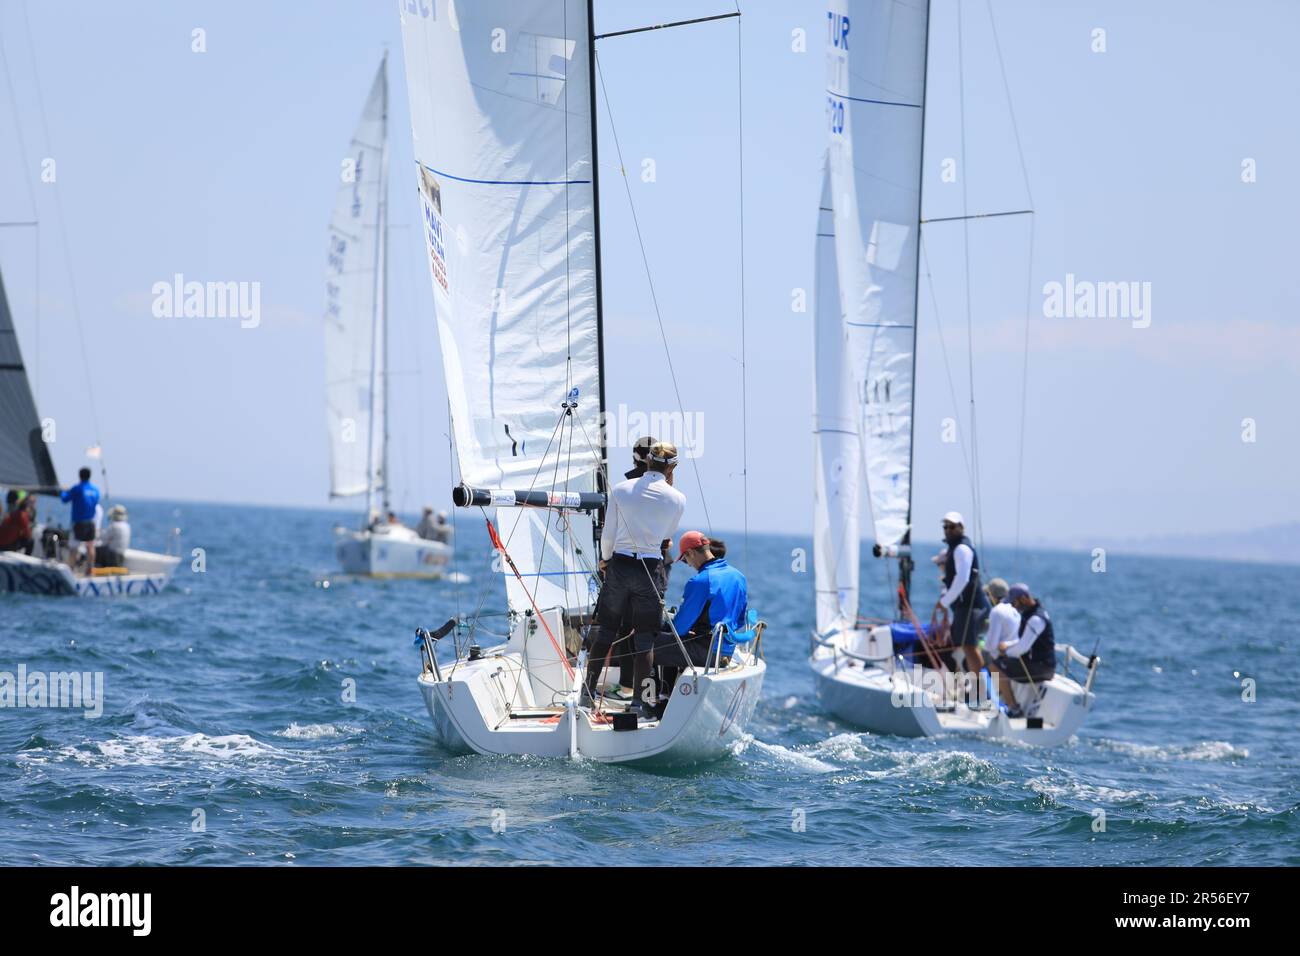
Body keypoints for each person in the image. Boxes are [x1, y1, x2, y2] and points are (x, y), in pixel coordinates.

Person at [587, 441, 686, 718]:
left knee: (605, 632)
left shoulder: (621, 490)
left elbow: (609, 534)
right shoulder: (678, 498)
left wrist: (606, 560)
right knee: (645, 640)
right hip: (650, 569)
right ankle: (639, 704)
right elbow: (667, 535)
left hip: (619, 565)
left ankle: (586, 694)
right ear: (671, 466)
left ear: (646, 461)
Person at [635, 532, 749, 709]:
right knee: (670, 640)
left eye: (685, 559)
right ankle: (665, 697)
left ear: (691, 553)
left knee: (645, 642)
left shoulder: (700, 581)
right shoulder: (738, 576)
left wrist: (658, 628)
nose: (687, 565)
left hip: (706, 652)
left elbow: (679, 629)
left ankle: (650, 703)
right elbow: (740, 621)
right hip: (725, 651)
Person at [934, 511, 989, 682]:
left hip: (970, 606)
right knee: (967, 647)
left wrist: (944, 602)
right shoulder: (956, 547)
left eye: (952, 526)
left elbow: (963, 578)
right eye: (946, 527)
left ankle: (979, 693)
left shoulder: (962, 548)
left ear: (961, 527)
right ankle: (977, 691)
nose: (948, 530)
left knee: (970, 648)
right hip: (965, 606)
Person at [990, 583, 1057, 718]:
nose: (1014, 607)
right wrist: (1007, 645)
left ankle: (1013, 708)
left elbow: (1022, 648)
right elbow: (1023, 642)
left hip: (1041, 669)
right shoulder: (1031, 614)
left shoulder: (1036, 619)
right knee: (1002, 661)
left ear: (1024, 598)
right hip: (1038, 664)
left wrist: (1005, 651)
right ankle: (1006, 701)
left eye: (1014, 602)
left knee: (995, 665)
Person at [60, 467, 101, 572]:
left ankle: (70, 570)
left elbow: (65, 499)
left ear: (79, 476)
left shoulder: (77, 488)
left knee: (74, 548)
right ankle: (90, 570)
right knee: (90, 546)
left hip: (78, 523)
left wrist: (63, 491)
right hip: (90, 523)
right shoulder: (95, 490)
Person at [0, 490, 34, 554]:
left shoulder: (10, 515)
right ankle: (27, 559)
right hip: (8, 545)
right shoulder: (22, 515)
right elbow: (28, 535)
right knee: (30, 541)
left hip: (1, 544)